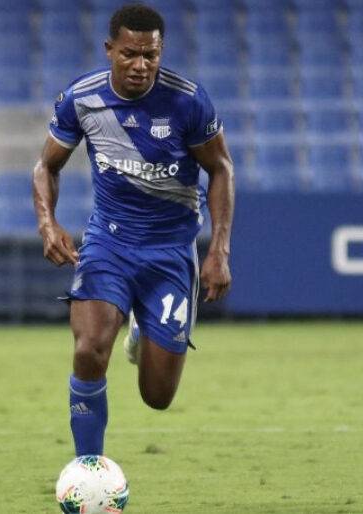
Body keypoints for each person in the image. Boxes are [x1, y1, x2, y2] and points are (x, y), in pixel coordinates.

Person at [33, 4, 234, 457]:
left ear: (161, 53)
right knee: (88, 349)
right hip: (109, 242)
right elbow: (46, 166)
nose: (141, 65)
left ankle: (142, 329)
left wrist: (219, 250)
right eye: (130, 54)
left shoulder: (188, 101)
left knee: (157, 396)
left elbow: (221, 169)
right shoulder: (82, 99)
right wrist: (48, 223)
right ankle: (89, 468)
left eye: (151, 55)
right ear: (110, 50)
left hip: (170, 250)